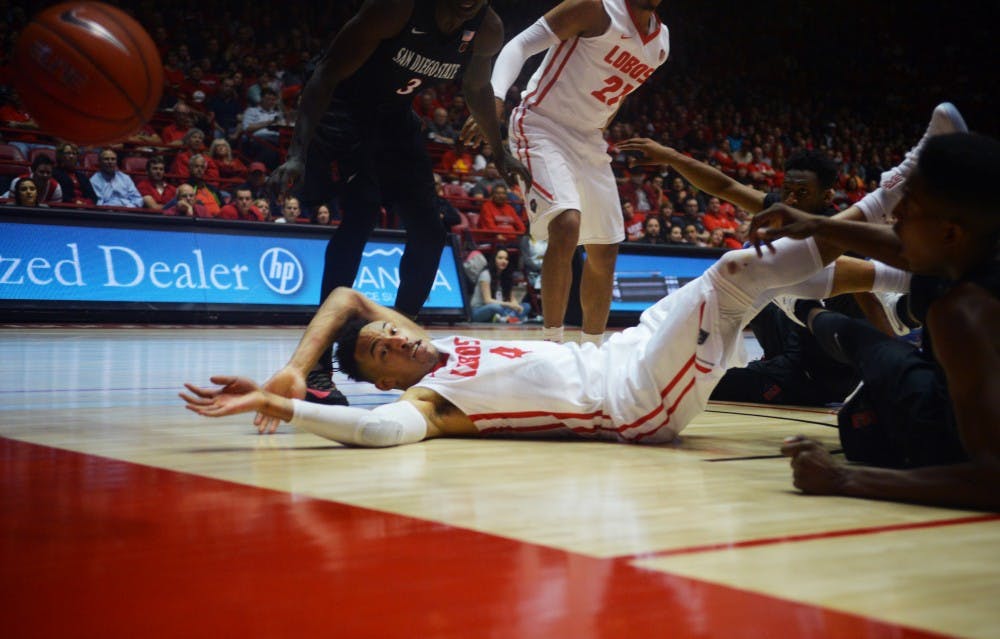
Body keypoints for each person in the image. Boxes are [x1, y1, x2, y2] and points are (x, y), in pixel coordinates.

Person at [183, 217, 875, 447]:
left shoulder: (433, 340)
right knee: (732, 272)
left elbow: (342, 295)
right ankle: (902, 238)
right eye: (379, 354)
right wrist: (281, 405)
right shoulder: (430, 400)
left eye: (384, 332)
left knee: (763, 282)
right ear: (390, 382)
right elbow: (374, 433)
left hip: (627, 352)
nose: (390, 339)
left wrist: (297, 366)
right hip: (635, 400)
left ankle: (904, 288)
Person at [266, 0, 528, 405]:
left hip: (395, 118)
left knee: (430, 229)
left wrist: (499, 150)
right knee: (361, 216)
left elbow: (476, 88)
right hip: (342, 110)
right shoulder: (396, 10)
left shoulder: (487, 27)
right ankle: (317, 363)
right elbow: (326, 74)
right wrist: (298, 153)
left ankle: (406, 333)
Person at [752, 132, 1000, 512]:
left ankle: (802, 308)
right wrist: (818, 226)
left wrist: (843, 479)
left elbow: (991, 481)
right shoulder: (969, 246)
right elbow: (900, 245)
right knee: (872, 343)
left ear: (950, 232)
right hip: (944, 392)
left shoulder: (965, 313)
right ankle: (805, 308)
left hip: (946, 449)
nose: (895, 214)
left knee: (861, 418)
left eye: (908, 206)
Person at [472, 0, 671, 347]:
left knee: (605, 249)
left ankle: (592, 353)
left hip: (589, 139)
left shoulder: (661, 45)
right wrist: (496, 97)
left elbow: (619, 93)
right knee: (566, 223)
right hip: (540, 123)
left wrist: (599, 120)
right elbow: (518, 45)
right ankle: (552, 346)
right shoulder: (594, 8)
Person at [469, 248, 529, 323]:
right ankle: (511, 318)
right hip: (480, 309)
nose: (504, 261)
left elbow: (512, 299)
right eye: (500, 258)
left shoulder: (506, 277)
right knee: (495, 307)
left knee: (526, 306)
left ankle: (505, 318)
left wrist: (516, 306)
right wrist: (509, 305)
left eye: (506, 259)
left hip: (501, 308)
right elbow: (488, 301)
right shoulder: (486, 274)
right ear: (494, 259)